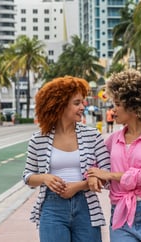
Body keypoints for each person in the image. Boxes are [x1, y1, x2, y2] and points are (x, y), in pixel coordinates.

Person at [22, 76, 110, 242]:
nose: (82, 107)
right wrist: (44, 178)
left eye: (82, 102)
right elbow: (28, 177)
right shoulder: (38, 139)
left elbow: (107, 175)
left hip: (86, 206)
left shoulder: (92, 136)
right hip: (51, 206)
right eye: (77, 103)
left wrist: (79, 186)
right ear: (59, 105)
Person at [87, 70, 141, 242]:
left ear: (134, 106)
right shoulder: (112, 140)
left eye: (117, 104)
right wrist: (93, 177)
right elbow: (94, 166)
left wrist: (111, 175)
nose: (113, 110)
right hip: (120, 214)